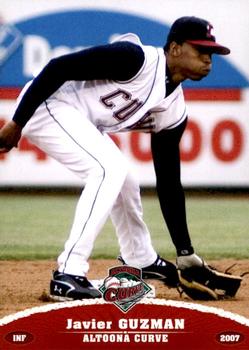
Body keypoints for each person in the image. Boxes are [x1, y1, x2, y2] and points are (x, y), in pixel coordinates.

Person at [0, 16, 230, 301]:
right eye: (201, 51)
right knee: (108, 170)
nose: (208, 60)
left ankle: (141, 258)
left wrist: (185, 252)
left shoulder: (173, 111)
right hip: (46, 105)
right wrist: (17, 122)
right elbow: (58, 67)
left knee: (125, 180)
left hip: (78, 117)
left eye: (211, 54)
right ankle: (68, 274)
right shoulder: (134, 59)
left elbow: (169, 183)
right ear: (174, 48)